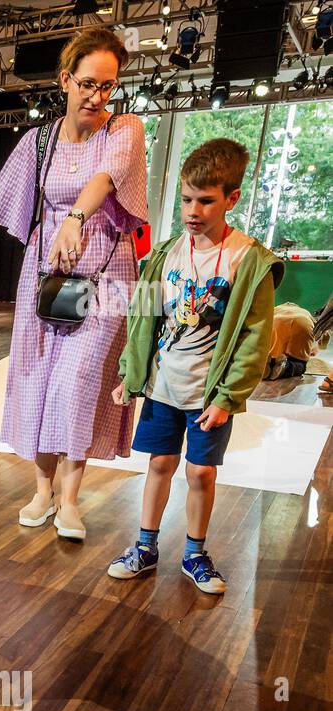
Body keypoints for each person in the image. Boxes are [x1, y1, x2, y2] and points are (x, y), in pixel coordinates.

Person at [0, 26, 147, 542]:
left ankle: (73, 499)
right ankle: (42, 489)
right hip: (46, 275)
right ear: (65, 79)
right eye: (88, 84)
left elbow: (106, 179)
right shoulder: (36, 143)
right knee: (39, 379)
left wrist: (75, 218)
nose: (98, 97)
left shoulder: (125, 129)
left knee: (80, 382)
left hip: (107, 274)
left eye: (108, 86)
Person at [108, 139, 282, 594]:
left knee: (201, 472)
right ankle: (145, 547)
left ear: (231, 199)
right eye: (187, 199)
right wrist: (131, 373)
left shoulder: (251, 261)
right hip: (164, 386)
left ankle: (195, 553)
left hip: (208, 393)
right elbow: (141, 318)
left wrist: (228, 398)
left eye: (206, 200)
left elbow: (255, 336)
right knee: (160, 463)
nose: (193, 209)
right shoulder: (163, 256)